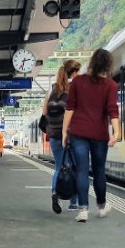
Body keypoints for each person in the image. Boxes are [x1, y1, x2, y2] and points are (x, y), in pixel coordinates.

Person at [63, 48, 121, 223]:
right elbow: (113, 111)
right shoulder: (111, 85)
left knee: (81, 170)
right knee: (99, 171)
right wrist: (116, 132)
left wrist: (64, 131)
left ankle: (83, 210)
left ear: (92, 62)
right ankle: (102, 207)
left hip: (78, 133)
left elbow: (70, 108)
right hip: (99, 135)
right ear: (108, 65)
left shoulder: (77, 82)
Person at [44, 59, 82, 214]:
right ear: (73, 73)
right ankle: (74, 203)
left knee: (59, 167)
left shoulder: (51, 90)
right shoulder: (74, 89)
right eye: (78, 71)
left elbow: (44, 113)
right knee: (74, 168)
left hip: (53, 135)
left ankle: (55, 193)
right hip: (70, 135)